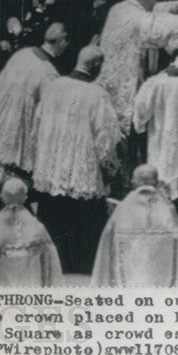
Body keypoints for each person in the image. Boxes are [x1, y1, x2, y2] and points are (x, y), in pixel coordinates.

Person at [31, 45, 123, 274]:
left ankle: (53, 265)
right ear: (94, 65)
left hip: (51, 170)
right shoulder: (97, 94)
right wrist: (111, 169)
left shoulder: (53, 87)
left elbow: (36, 125)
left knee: (55, 225)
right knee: (83, 233)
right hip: (82, 173)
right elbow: (107, 139)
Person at [96, 0, 178, 139]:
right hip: (126, 77)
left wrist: (176, 5)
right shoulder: (139, 19)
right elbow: (169, 26)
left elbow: (151, 10)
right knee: (123, 126)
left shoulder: (119, 9)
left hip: (107, 74)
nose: (156, 1)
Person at [0, 22, 69, 182]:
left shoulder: (22, 54)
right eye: (66, 44)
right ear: (62, 42)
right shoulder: (49, 73)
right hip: (17, 135)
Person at [132, 50, 178, 249]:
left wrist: (141, 124)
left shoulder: (156, 82)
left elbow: (140, 110)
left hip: (162, 143)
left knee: (164, 186)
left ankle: (163, 241)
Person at [90, 165, 178, 287]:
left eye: (133, 179)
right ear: (155, 181)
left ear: (138, 181)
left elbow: (107, 241)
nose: (131, 181)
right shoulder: (167, 207)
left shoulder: (124, 206)